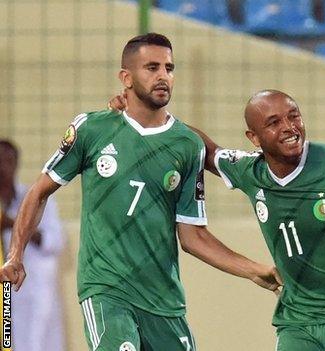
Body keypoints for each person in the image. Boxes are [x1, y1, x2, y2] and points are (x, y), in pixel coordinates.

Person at [0, 33, 281, 351]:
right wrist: (15, 255)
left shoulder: (187, 144)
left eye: (169, 68)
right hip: (107, 290)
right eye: (152, 67)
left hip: (164, 301)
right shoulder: (92, 129)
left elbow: (193, 237)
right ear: (126, 77)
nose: (163, 75)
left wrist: (256, 271)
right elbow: (39, 192)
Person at [108, 88, 325, 350]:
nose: (290, 127)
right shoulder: (251, 171)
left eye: (294, 116)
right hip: (297, 320)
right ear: (254, 138)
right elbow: (205, 149)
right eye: (274, 122)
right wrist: (147, 115)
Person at [0, 140, 66, 351]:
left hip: (33, 292)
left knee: (34, 344)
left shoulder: (35, 199)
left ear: (16, 164)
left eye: (7, 161)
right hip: (5, 296)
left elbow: (54, 242)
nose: (3, 167)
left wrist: (11, 223)